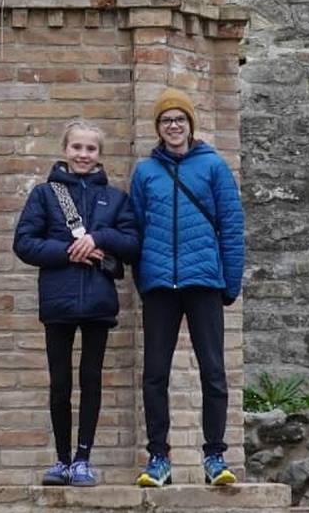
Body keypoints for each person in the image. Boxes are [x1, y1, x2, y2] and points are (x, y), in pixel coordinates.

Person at [128, 89, 246, 489]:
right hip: (160, 284)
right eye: (166, 121)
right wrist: (144, 279)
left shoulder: (213, 167)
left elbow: (231, 227)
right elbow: (137, 229)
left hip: (204, 283)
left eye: (180, 119)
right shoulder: (145, 173)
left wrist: (229, 284)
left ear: (190, 124)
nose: (173, 126)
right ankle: (158, 457)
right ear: (158, 129)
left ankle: (215, 455)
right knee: (154, 374)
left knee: (213, 372)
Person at [13, 119, 141, 488]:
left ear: (100, 155)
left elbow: (132, 244)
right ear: (64, 150)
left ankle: (84, 459)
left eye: (91, 149)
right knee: (59, 383)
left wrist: (99, 237)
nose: (83, 155)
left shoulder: (116, 198)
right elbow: (24, 243)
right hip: (58, 301)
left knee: (91, 380)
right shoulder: (44, 195)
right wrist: (70, 252)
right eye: (77, 148)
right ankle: (62, 459)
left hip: (100, 302)